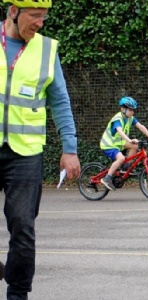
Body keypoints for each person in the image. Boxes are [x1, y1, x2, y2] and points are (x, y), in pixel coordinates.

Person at [0, 0, 81, 298]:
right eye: (34, 16)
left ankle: (18, 294)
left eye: (43, 17)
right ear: (13, 12)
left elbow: (60, 101)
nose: (40, 23)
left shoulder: (47, 50)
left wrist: (69, 148)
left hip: (25, 153)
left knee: (22, 227)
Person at [100, 96, 148, 190]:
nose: (132, 112)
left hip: (119, 143)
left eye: (133, 110)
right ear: (123, 109)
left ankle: (126, 167)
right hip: (109, 145)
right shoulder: (117, 119)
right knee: (121, 158)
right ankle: (107, 178)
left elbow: (140, 126)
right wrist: (129, 140)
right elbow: (120, 131)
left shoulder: (130, 118)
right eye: (130, 110)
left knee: (136, 146)